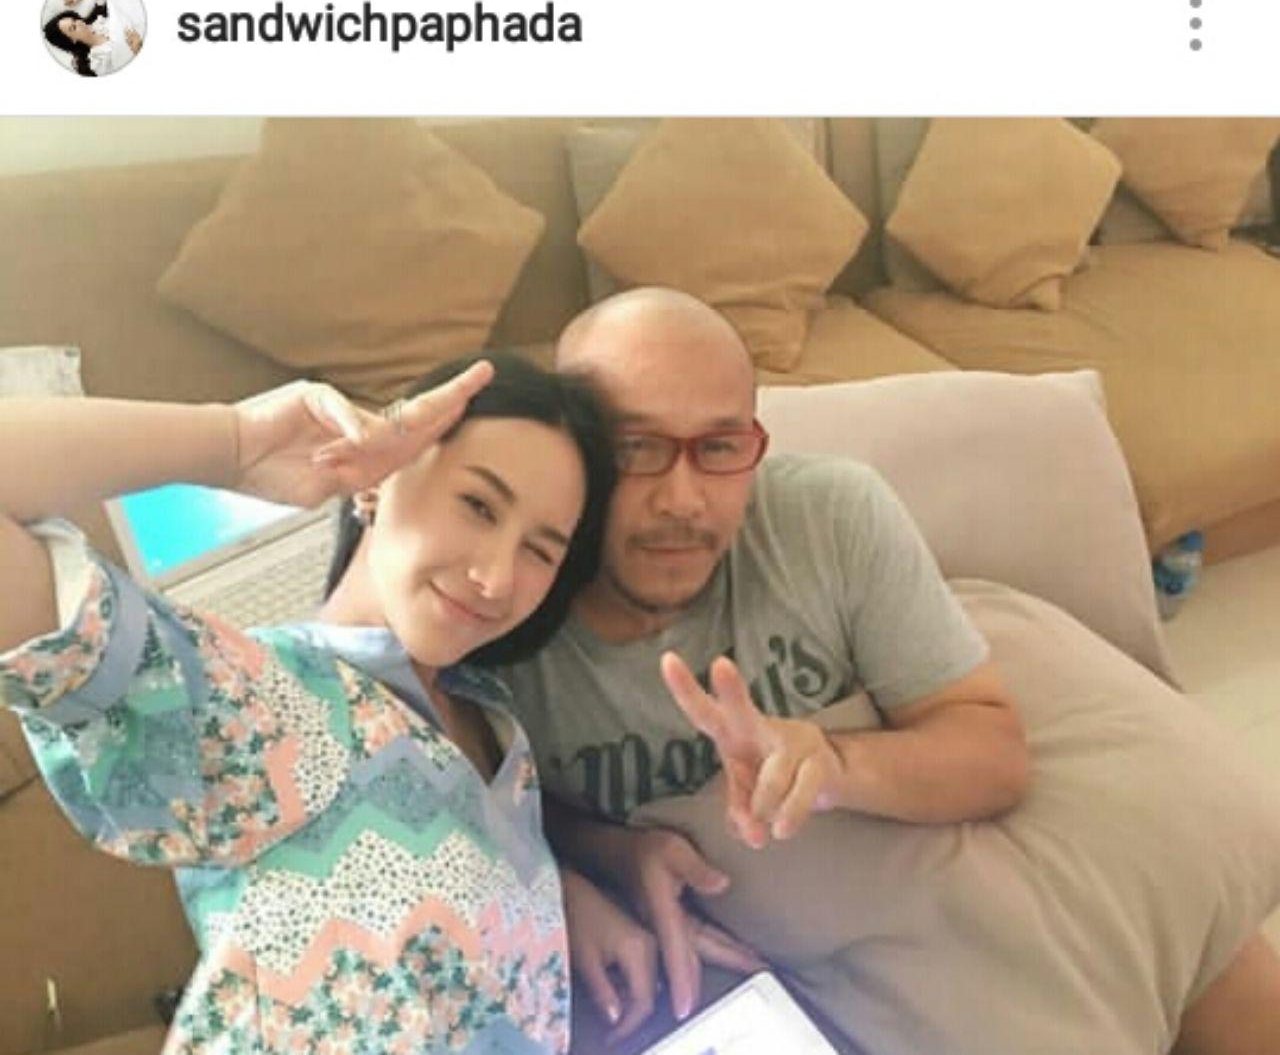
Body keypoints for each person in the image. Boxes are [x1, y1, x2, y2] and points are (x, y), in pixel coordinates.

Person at [497, 288, 1280, 1054]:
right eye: (634, 447)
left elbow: (991, 754)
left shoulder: (828, 519)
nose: (682, 498)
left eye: (721, 446)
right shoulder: (505, 612)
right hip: (796, 990)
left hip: (974, 911)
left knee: (1208, 949)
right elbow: (490, 810)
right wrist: (604, 858)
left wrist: (832, 763)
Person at [0, 352, 620, 1054]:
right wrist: (234, 443)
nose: (496, 577)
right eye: (478, 505)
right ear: (378, 480)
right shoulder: (262, 700)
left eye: (540, 550)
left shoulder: (496, 725)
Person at [43, 0, 142, 77]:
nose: (79, 22)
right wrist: (137, 49)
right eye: (73, 27)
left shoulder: (98, 23)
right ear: (72, 40)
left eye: (74, 20)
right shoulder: (98, 59)